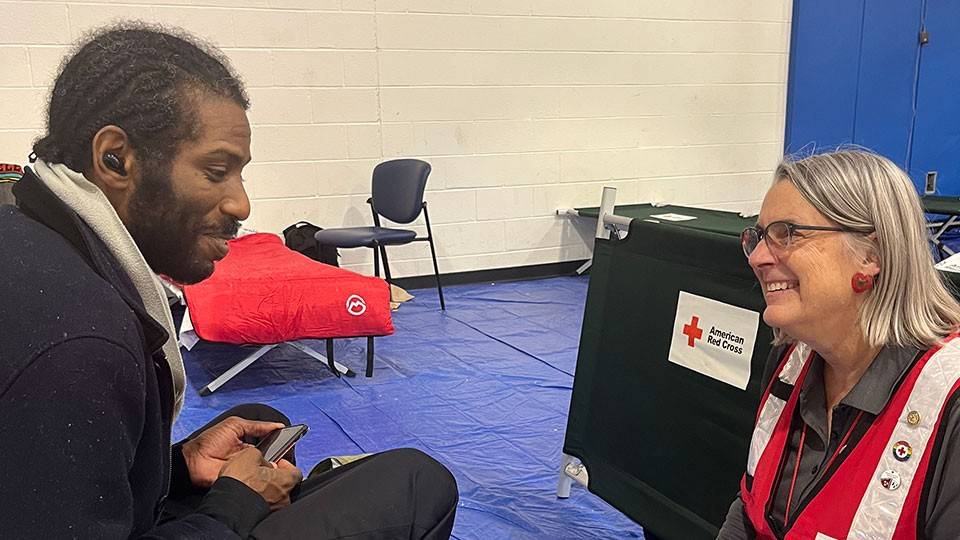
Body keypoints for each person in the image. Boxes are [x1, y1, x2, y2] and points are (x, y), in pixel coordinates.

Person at [0, 23, 457, 539]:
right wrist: (232, 507)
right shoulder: (80, 344)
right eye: (217, 171)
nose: (241, 204)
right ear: (116, 159)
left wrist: (176, 467)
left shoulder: (31, 232)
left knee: (259, 421)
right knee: (418, 484)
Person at [718, 149, 960, 539]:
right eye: (760, 236)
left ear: (870, 254)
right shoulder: (791, 358)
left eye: (788, 233)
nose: (758, 257)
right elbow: (750, 512)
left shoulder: (950, 402)